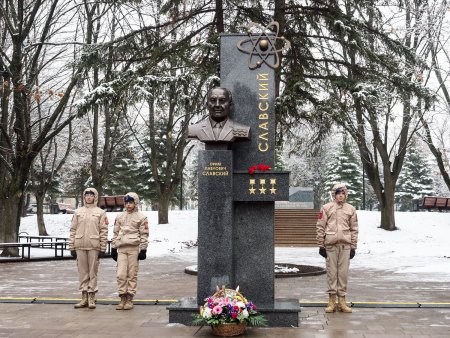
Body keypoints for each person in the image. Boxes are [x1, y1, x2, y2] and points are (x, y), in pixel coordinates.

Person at [316, 183, 358, 313]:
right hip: (330, 245)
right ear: (334, 195)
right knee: (332, 273)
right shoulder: (326, 208)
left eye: (343, 193)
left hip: (345, 246)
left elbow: (354, 229)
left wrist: (353, 246)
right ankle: (331, 301)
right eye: (338, 193)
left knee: (343, 274)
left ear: (346, 195)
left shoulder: (351, 209)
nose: (341, 196)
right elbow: (320, 226)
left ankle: (342, 301)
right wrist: (321, 245)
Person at [69, 187, 108, 309]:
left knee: (93, 272)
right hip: (80, 245)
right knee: (82, 273)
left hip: (93, 246)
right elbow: (73, 230)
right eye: (87, 195)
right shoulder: (78, 212)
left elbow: (104, 231)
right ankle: (84, 296)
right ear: (84, 197)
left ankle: (92, 296)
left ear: (95, 197)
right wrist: (71, 246)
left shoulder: (101, 213)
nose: (89, 197)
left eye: (91, 195)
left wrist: (102, 247)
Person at [111, 192, 149, 310]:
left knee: (131, 274)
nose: (128, 205)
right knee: (121, 274)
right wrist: (113, 247)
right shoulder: (119, 217)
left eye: (131, 202)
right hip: (121, 248)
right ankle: (122, 297)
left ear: (135, 203)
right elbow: (116, 232)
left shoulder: (141, 217)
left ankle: (130, 298)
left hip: (133, 248)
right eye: (126, 203)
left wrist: (143, 249)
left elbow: (144, 234)